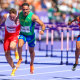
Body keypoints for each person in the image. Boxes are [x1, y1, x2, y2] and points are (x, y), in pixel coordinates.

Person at [14, 3, 45, 75]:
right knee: (19, 45)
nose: (25, 11)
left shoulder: (33, 16)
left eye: (26, 9)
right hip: (23, 34)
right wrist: (16, 20)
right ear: (21, 9)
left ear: (29, 9)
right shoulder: (19, 13)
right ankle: (20, 59)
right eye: (24, 9)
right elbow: (17, 17)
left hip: (31, 37)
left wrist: (42, 30)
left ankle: (31, 64)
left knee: (31, 52)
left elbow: (43, 24)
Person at [0, 8, 20, 76]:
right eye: (11, 17)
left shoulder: (19, 18)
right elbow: (1, 21)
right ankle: (14, 68)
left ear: (16, 15)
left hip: (15, 35)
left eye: (13, 17)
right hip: (7, 37)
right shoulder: (5, 16)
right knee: (6, 55)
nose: (12, 18)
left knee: (12, 46)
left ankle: (15, 50)